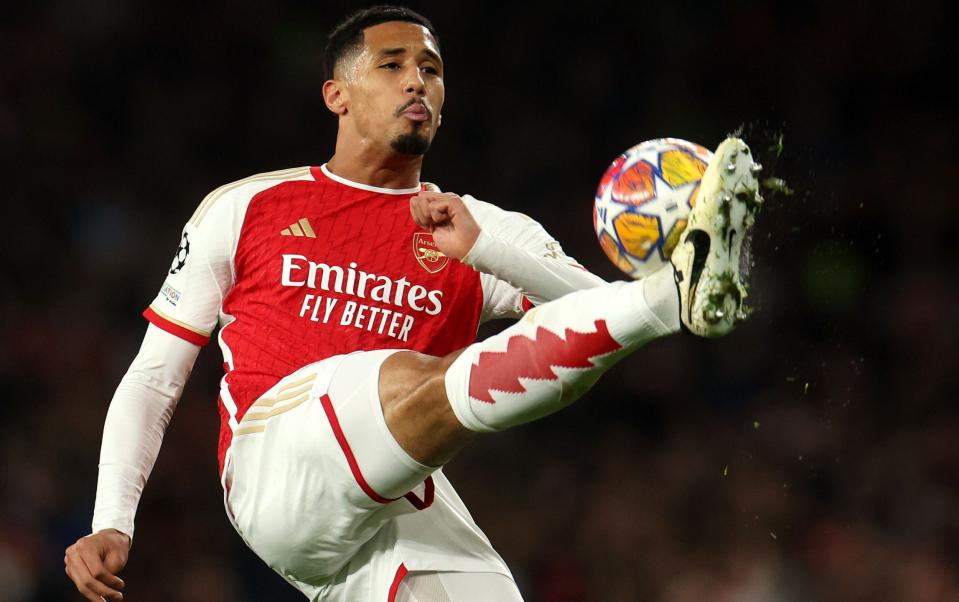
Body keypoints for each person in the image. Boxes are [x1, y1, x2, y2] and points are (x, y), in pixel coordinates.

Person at [64, 5, 763, 601]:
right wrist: (112, 519)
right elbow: (156, 375)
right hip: (275, 465)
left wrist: (487, 251)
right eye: (393, 65)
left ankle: (674, 296)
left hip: (395, 496)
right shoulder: (247, 207)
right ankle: (674, 294)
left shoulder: (480, 227)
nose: (417, 82)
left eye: (430, 69)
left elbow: (598, 310)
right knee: (407, 378)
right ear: (338, 94)